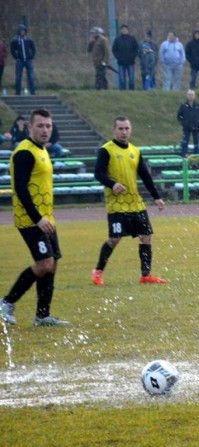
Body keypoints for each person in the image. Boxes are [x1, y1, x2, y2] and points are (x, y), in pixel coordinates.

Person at [0, 109, 71, 327]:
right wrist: (38, 218)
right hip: (31, 220)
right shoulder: (24, 152)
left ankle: (42, 315)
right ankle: (7, 302)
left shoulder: (42, 150)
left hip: (46, 218)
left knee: (53, 264)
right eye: (40, 126)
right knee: (44, 263)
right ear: (30, 128)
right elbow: (21, 189)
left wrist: (45, 217)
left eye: (48, 126)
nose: (45, 130)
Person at [91, 116, 167, 287]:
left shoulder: (135, 151)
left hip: (135, 202)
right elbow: (98, 173)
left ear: (130, 130)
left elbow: (145, 176)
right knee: (115, 238)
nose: (124, 132)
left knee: (146, 236)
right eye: (120, 129)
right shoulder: (106, 150)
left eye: (127, 128)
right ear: (114, 130)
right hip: (117, 204)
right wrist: (112, 184)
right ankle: (98, 271)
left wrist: (156, 197)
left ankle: (145, 275)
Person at [177, 89, 199, 158]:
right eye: (189, 95)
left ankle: (196, 157)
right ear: (187, 96)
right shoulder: (183, 106)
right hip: (186, 128)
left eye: (192, 95)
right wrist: (183, 123)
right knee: (185, 143)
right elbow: (179, 116)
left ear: (194, 96)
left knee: (196, 143)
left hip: (196, 128)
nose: (191, 96)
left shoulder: (198, 106)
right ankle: (183, 157)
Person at [10, 24, 36, 95]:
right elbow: (12, 50)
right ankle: (17, 92)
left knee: (31, 76)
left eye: (23, 31)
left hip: (28, 60)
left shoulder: (29, 40)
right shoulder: (15, 40)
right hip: (20, 61)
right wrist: (16, 57)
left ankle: (33, 91)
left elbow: (33, 49)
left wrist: (31, 57)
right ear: (19, 31)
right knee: (18, 76)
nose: (22, 32)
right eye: (21, 31)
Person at [111, 24, 138, 91]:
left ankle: (132, 91)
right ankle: (123, 91)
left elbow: (136, 48)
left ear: (128, 30)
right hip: (121, 62)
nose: (124, 31)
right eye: (123, 30)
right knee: (122, 79)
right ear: (121, 31)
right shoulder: (117, 39)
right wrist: (118, 57)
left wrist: (133, 56)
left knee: (131, 78)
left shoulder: (132, 39)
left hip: (130, 62)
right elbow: (114, 50)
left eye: (125, 29)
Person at [88, 26, 110, 90]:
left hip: (102, 61)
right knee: (100, 75)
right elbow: (89, 50)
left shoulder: (103, 40)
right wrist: (91, 42)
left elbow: (107, 51)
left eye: (94, 33)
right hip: (96, 62)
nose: (92, 34)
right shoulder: (94, 40)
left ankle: (99, 88)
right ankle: (104, 87)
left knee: (100, 75)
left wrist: (105, 61)